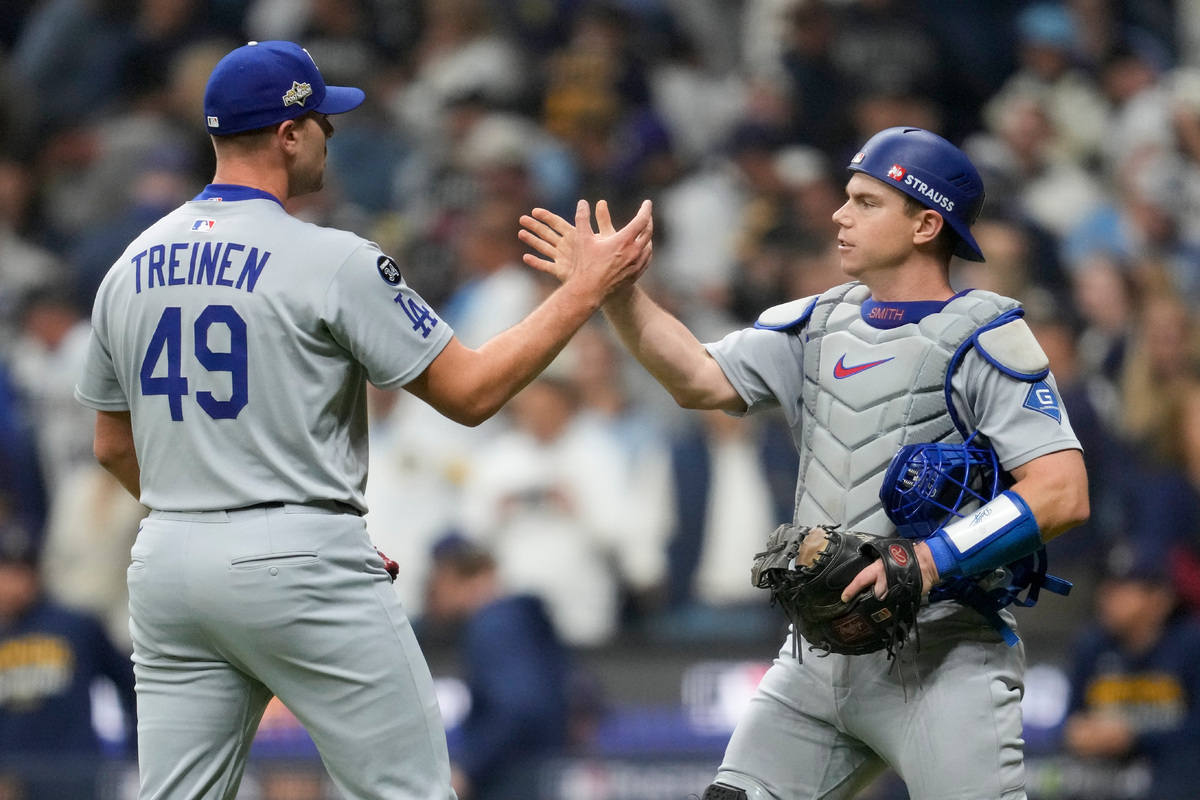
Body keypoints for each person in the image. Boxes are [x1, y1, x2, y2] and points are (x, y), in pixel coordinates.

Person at [73, 40, 652, 800]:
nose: (330, 134)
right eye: (322, 121)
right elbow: (472, 393)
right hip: (299, 555)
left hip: (169, 561)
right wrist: (584, 290)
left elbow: (112, 445)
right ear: (288, 134)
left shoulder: (128, 267)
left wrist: (211, 515)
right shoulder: (331, 259)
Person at [521, 126, 1090, 799]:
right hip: (820, 655)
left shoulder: (987, 336)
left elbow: (1062, 491)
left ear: (926, 224)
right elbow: (699, 377)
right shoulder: (817, 323)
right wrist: (616, 291)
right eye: (846, 198)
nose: (840, 216)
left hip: (945, 655)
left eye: (867, 202)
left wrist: (930, 558)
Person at [423, 535, 570, 800]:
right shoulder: (519, 620)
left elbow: (518, 709)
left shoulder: (494, 625)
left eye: (441, 579)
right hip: (544, 773)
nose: (434, 591)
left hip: (515, 780)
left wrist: (468, 768)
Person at [0, 519, 137, 800]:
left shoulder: (75, 626)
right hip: (12, 779)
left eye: (22, 570)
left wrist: (133, 752)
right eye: (6, 571)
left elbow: (133, 684)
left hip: (76, 774)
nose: (14, 582)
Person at [1062, 547, 1200, 800]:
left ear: (1160, 599)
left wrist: (1133, 738)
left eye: (1123, 588)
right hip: (1104, 777)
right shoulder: (1091, 645)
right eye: (1107, 585)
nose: (1108, 595)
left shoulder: (1191, 645)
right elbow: (1071, 724)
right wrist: (1078, 734)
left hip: (1175, 777)